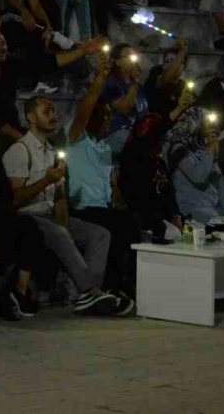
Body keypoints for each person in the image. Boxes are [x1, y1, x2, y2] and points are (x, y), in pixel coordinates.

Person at [3, 96, 129, 316]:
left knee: (99, 234)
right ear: (31, 117)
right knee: (60, 233)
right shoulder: (19, 150)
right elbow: (16, 198)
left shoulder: (52, 152)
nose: (53, 115)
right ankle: (90, 291)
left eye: (53, 111)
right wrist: (46, 180)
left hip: (50, 215)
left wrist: (64, 223)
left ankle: (90, 295)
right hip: (29, 217)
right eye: (46, 111)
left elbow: (59, 197)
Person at [64, 53, 144, 299]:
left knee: (131, 219)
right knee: (121, 225)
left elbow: (112, 185)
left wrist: (119, 198)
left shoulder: (104, 148)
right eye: (105, 115)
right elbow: (85, 108)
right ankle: (111, 286)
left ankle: (125, 283)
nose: (109, 119)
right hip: (83, 209)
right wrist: (100, 78)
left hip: (103, 207)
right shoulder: (76, 139)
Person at [164, 108, 224, 224]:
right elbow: (198, 177)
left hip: (213, 213)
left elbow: (219, 182)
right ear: (195, 123)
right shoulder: (177, 149)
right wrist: (210, 149)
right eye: (206, 122)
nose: (211, 126)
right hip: (192, 214)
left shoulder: (204, 150)